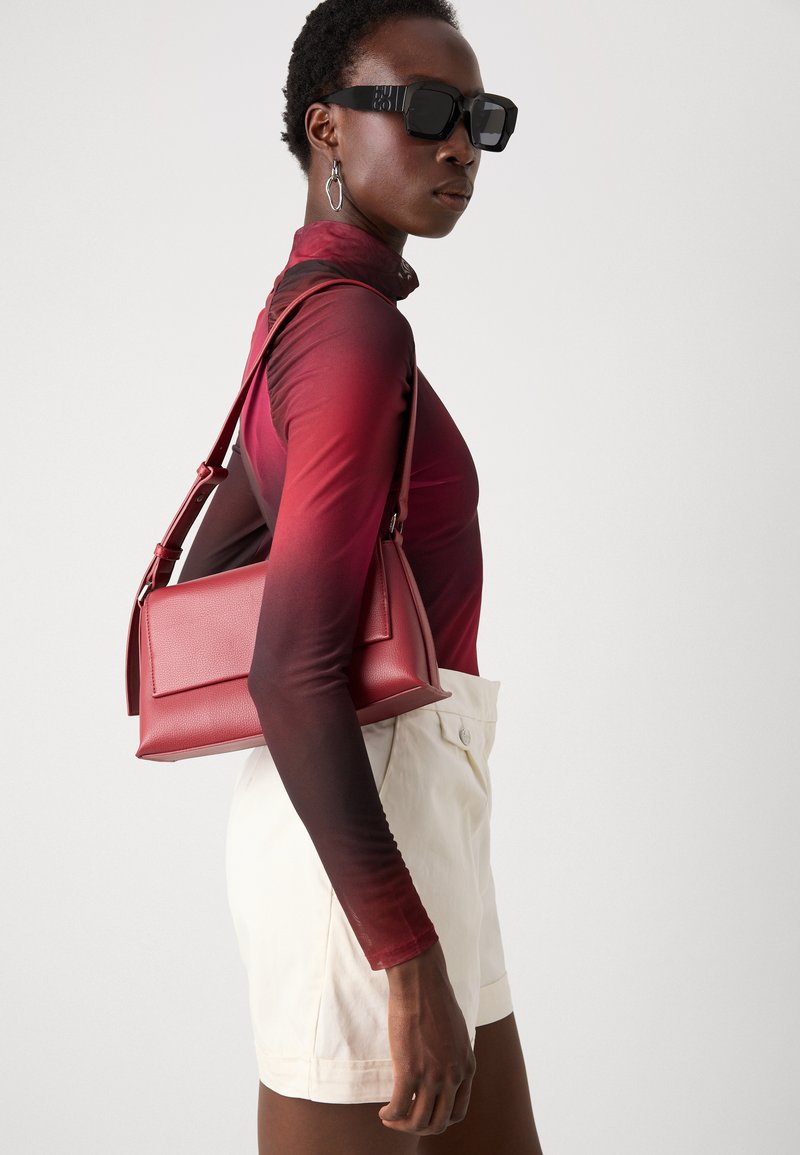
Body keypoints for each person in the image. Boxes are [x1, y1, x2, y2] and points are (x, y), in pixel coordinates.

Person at [177, 1, 544, 1150]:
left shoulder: (302, 318)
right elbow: (289, 671)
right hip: (366, 840)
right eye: (426, 110)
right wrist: (405, 953)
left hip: (400, 817)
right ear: (325, 127)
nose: (460, 145)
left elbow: (215, 563)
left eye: (481, 118)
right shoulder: (352, 333)